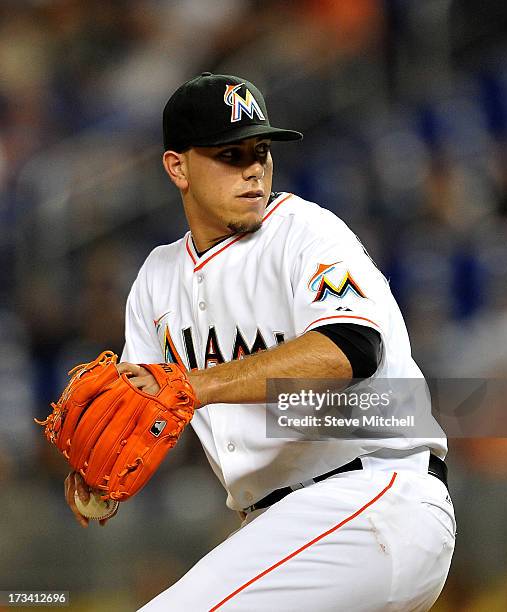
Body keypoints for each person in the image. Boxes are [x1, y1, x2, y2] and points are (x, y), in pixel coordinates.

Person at [65, 72, 455, 611]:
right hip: (279, 525)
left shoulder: (303, 230)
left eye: (262, 151)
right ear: (177, 167)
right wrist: (98, 476)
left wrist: (193, 385)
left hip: (373, 495)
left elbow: (351, 349)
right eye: (230, 155)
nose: (253, 169)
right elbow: (144, 405)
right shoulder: (157, 279)